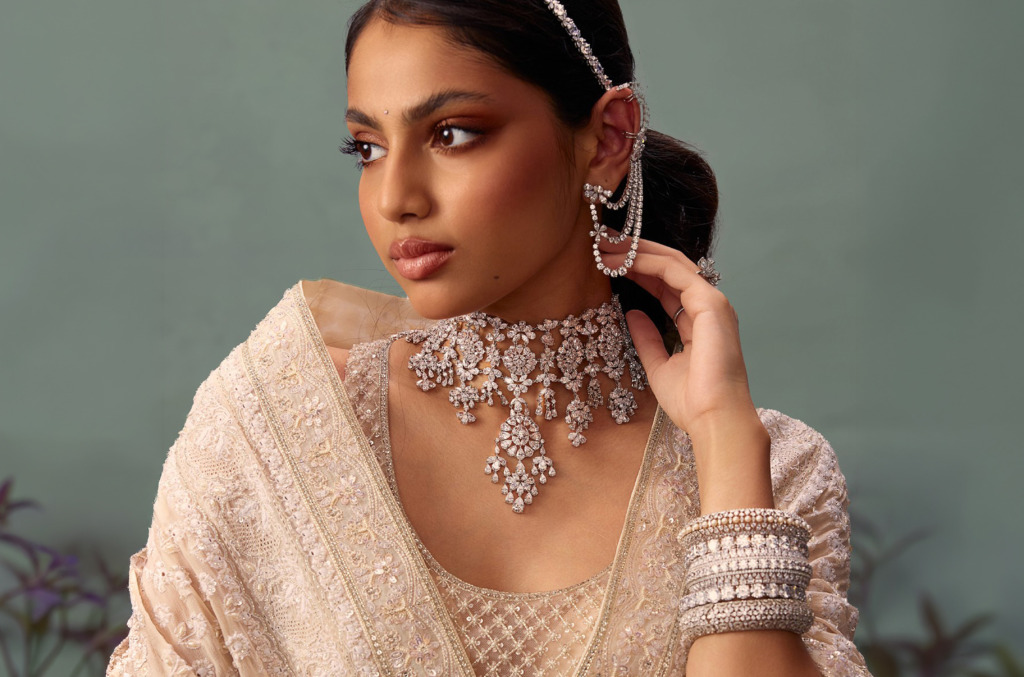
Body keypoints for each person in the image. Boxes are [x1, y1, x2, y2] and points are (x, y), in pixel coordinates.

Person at [107, 1, 871, 675]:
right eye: (367, 148)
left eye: (453, 133)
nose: (395, 197)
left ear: (608, 137)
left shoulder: (775, 473)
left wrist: (726, 449)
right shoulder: (273, 428)